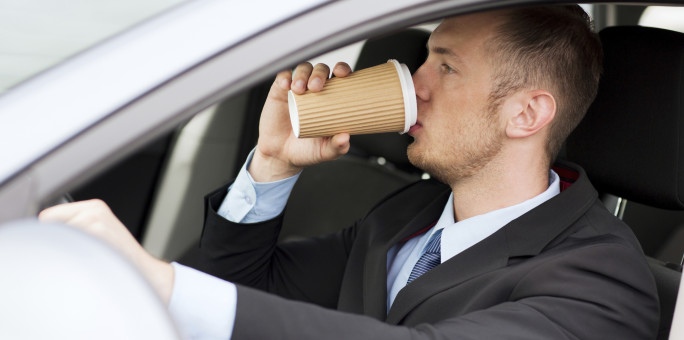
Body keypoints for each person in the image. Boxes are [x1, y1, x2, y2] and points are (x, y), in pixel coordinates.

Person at [39, 5, 659, 340]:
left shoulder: (602, 283)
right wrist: (273, 163)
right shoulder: (406, 217)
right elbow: (238, 286)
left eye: (444, 67)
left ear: (526, 113)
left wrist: (159, 283)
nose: (414, 86)